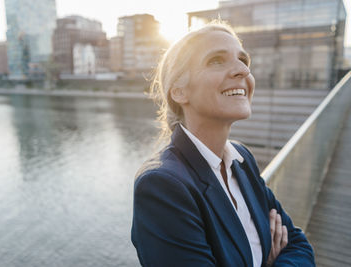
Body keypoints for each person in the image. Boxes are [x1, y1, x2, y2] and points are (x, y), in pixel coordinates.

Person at [131, 21, 315, 267]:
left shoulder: (241, 157)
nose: (243, 70)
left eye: (243, 60)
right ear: (179, 92)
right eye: (216, 60)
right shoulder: (162, 186)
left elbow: (298, 244)